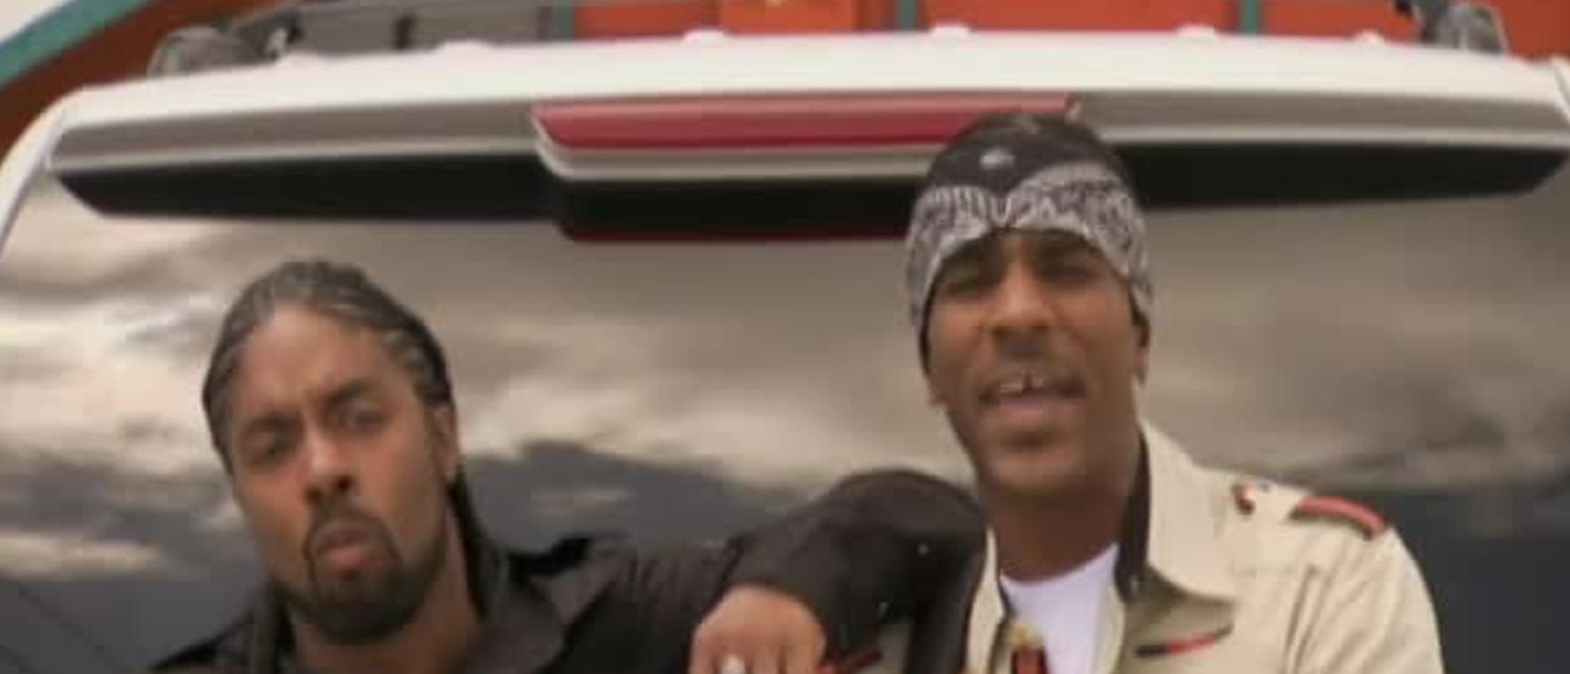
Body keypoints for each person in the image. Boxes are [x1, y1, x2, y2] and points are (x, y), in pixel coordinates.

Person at [156, 259, 981, 674]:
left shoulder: (623, 631)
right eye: (273, 447)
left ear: (443, 439)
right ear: (241, 495)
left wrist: (783, 593)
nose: (323, 468)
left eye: (358, 418)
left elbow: (921, 519)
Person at [879, 113, 1444, 674]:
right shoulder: (887, 639)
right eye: (971, 283)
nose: (1019, 313)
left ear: (1140, 334)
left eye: (1065, 271)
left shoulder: (1321, 588)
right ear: (929, 367)